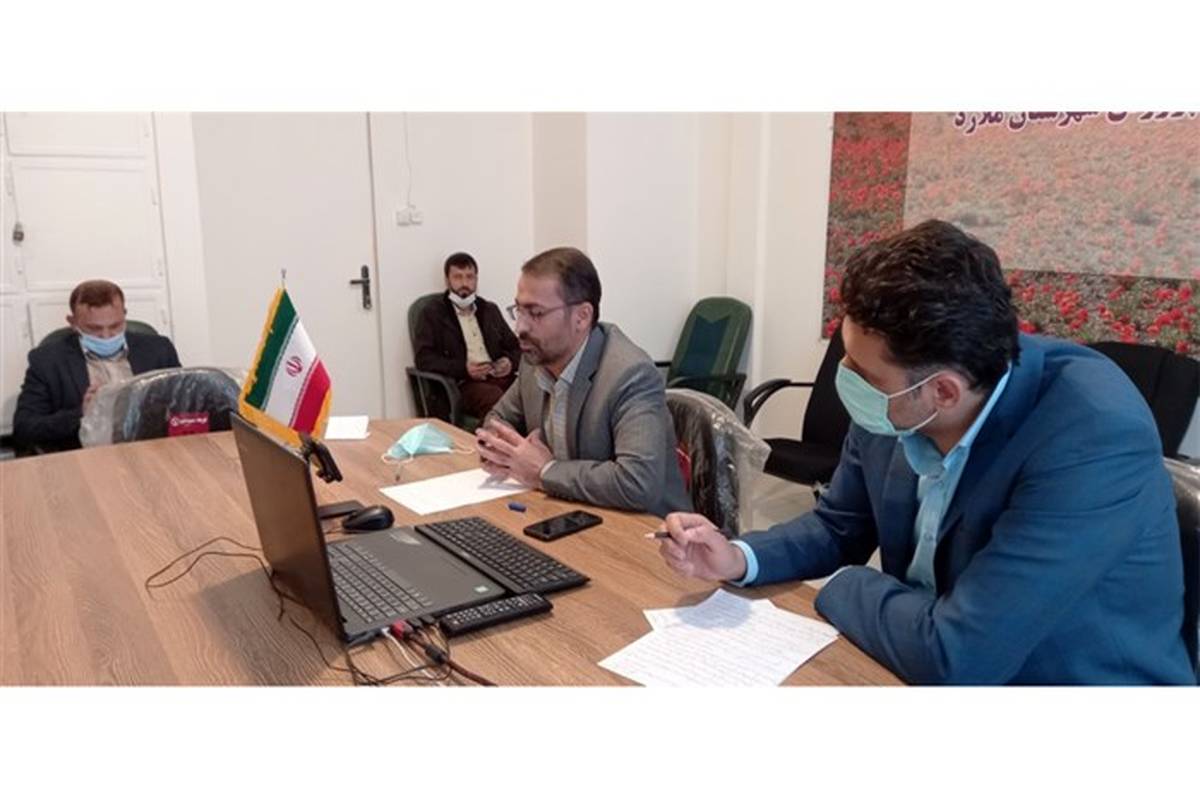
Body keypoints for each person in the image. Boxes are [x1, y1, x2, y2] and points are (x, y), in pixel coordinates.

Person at [657, 220, 1194, 685]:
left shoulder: (1093, 437)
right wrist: (739, 556)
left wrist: (846, 582)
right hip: (913, 662)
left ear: (943, 392)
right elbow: (838, 527)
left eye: (862, 374)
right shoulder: (898, 396)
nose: (845, 380)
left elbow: (958, 656)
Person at [476, 246, 692, 519]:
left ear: (582, 316)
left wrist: (545, 471)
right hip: (569, 511)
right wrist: (502, 450)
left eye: (536, 313)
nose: (520, 327)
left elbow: (638, 482)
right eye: (518, 310)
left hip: (644, 529)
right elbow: (497, 420)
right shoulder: (535, 359)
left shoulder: (630, 373)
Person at [13, 279, 182, 452]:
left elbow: (186, 404)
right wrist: (82, 413)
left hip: (152, 449)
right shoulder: (47, 361)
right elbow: (24, 428)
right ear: (73, 322)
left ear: (124, 315)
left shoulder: (159, 349)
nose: (106, 336)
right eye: (94, 329)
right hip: (87, 456)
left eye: (115, 326)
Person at [413, 251, 522, 419]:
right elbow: (424, 359)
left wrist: (510, 362)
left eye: (470, 277)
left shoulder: (489, 310)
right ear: (447, 280)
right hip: (462, 383)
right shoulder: (432, 313)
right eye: (458, 277)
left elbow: (517, 348)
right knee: (495, 399)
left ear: (476, 279)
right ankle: (487, 436)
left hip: (497, 377)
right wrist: (464, 369)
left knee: (533, 390)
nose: (464, 283)